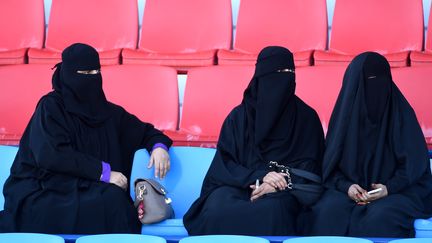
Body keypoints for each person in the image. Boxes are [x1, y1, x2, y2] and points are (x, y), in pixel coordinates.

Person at [0, 43, 172, 234]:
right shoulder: (51, 108)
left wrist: (159, 147)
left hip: (87, 190)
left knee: (115, 201)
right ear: (68, 74)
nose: (91, 79)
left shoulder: (109, 113)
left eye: (95, 72)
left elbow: (147, 132)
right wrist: (103, 173)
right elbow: (52, 155)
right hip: (45, 189)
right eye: (85, 73)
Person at [183, 46, 325, 235]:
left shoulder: (306, 118)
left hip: (284, 191)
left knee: (275, 211)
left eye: (290, 72)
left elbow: (311, 165)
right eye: (277, 73)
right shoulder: (239, 117)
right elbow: (225, 163)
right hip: (239, 185)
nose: (284, 79)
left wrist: (277, 183)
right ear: (261, 76)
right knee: (216, 208)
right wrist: (258, 176)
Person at [307, 52, 432, 237]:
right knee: (328, 213)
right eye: (369, 80)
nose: (377, 87)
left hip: (396, 193)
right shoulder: (343, 121)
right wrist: (346, 187)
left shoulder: (401, 115)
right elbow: (330, 168)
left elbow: (414, 168)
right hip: (347, 191)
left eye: (382, 80)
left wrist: (389, 188)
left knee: (380, 217)